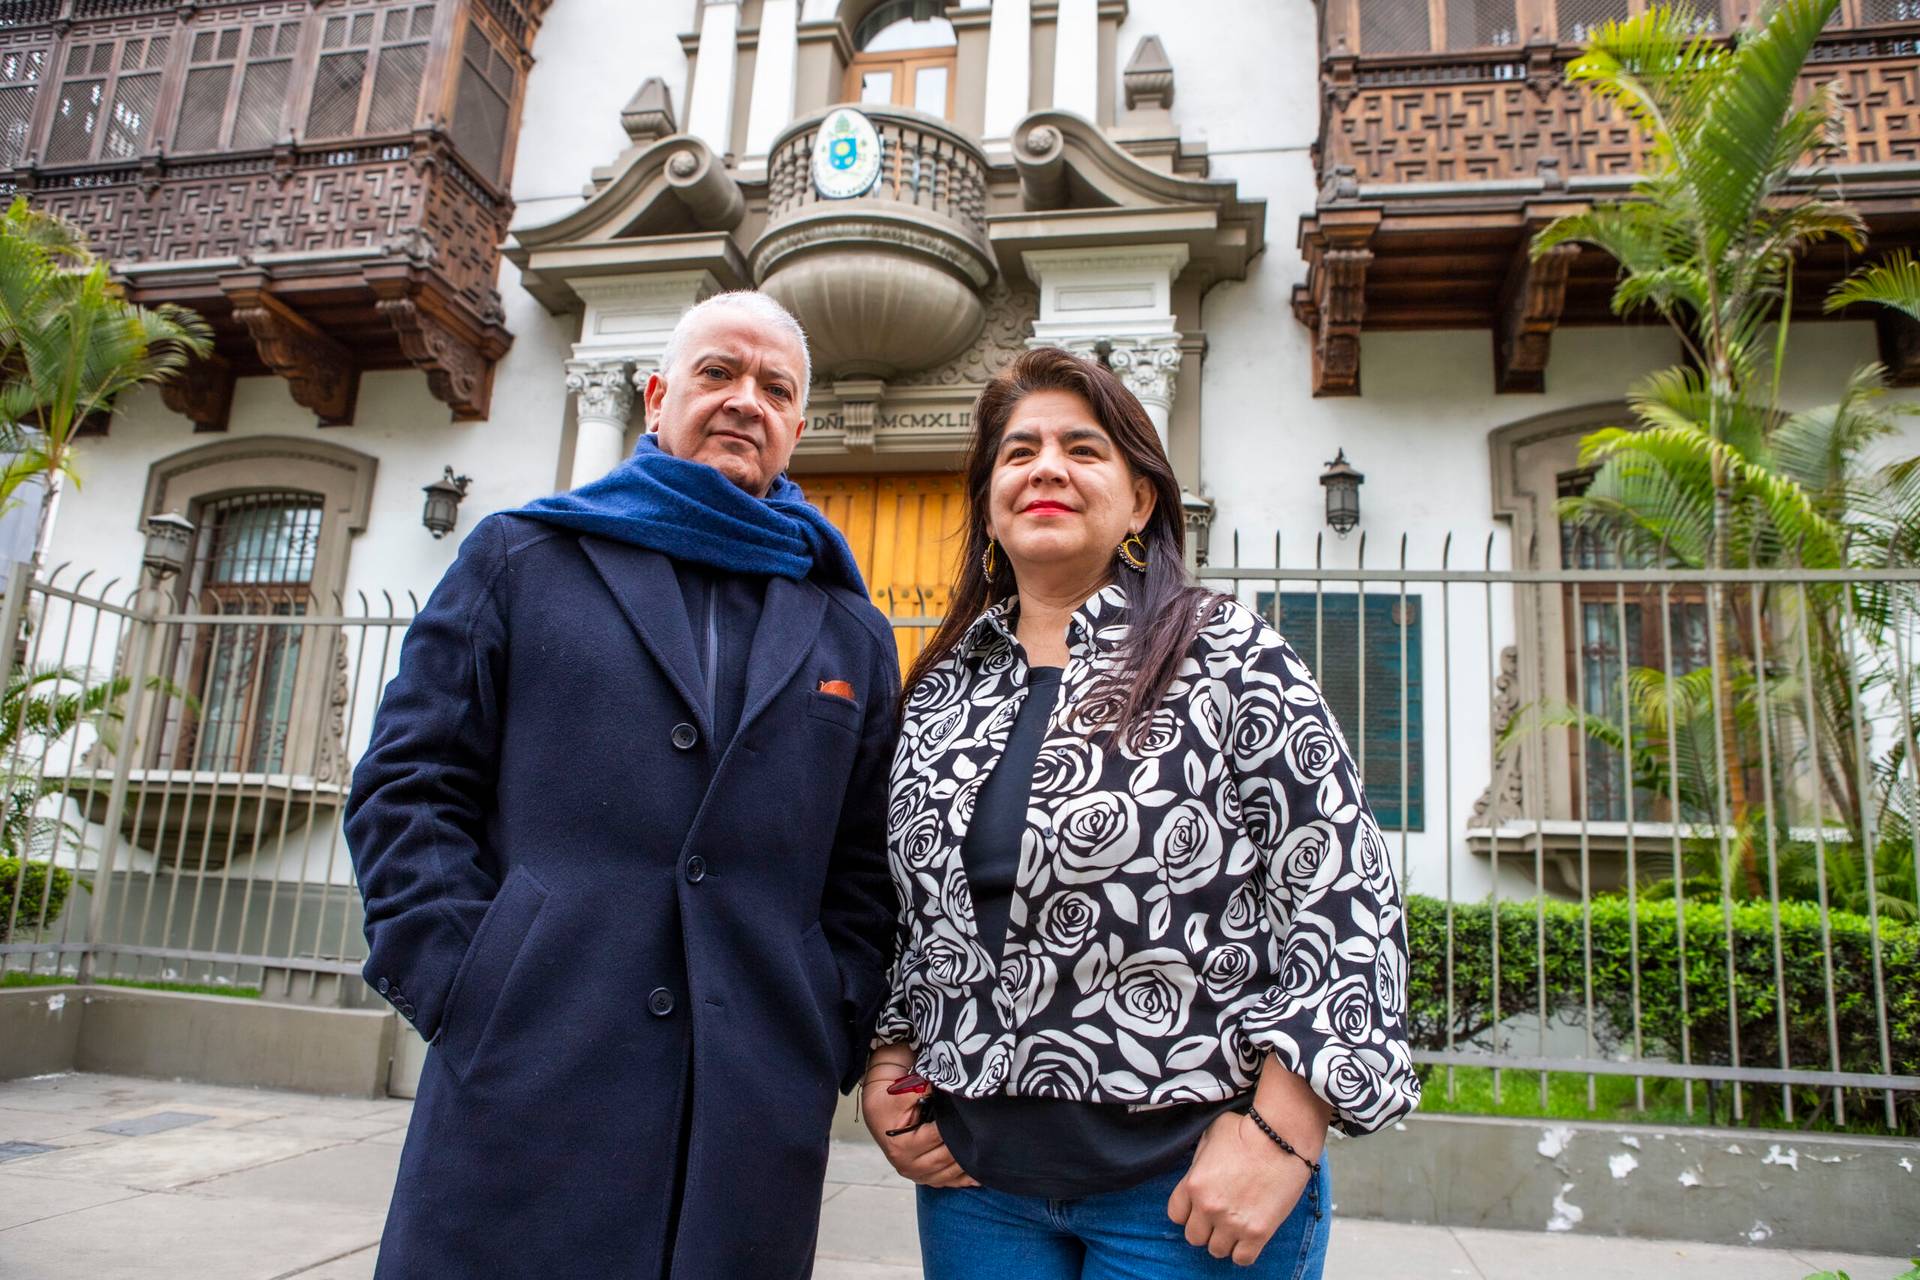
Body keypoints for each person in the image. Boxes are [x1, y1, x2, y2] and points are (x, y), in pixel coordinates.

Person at [345, 291, 900, 1279]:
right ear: (656, 398)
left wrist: (828, 1018)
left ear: (799, 426)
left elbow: (865, 862)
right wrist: (476, 985)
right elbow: (407, 783)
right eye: (717, 373)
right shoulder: (523, 558)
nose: (745, 400)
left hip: (750, 1102)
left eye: (775, 387)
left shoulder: (848, 628)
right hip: (531, 1070)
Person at [863, 347, 1420, 1278]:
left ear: (1141, 499)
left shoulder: (1226, 652)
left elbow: (1342, 890)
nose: (1045, 466)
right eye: (1018, 451)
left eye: (1083, 449)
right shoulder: (938, 691)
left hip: (1186, 1189)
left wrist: (1284, 1132)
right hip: (976, 1190)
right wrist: (889, 1057)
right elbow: (908, 911)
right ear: (989, 500)